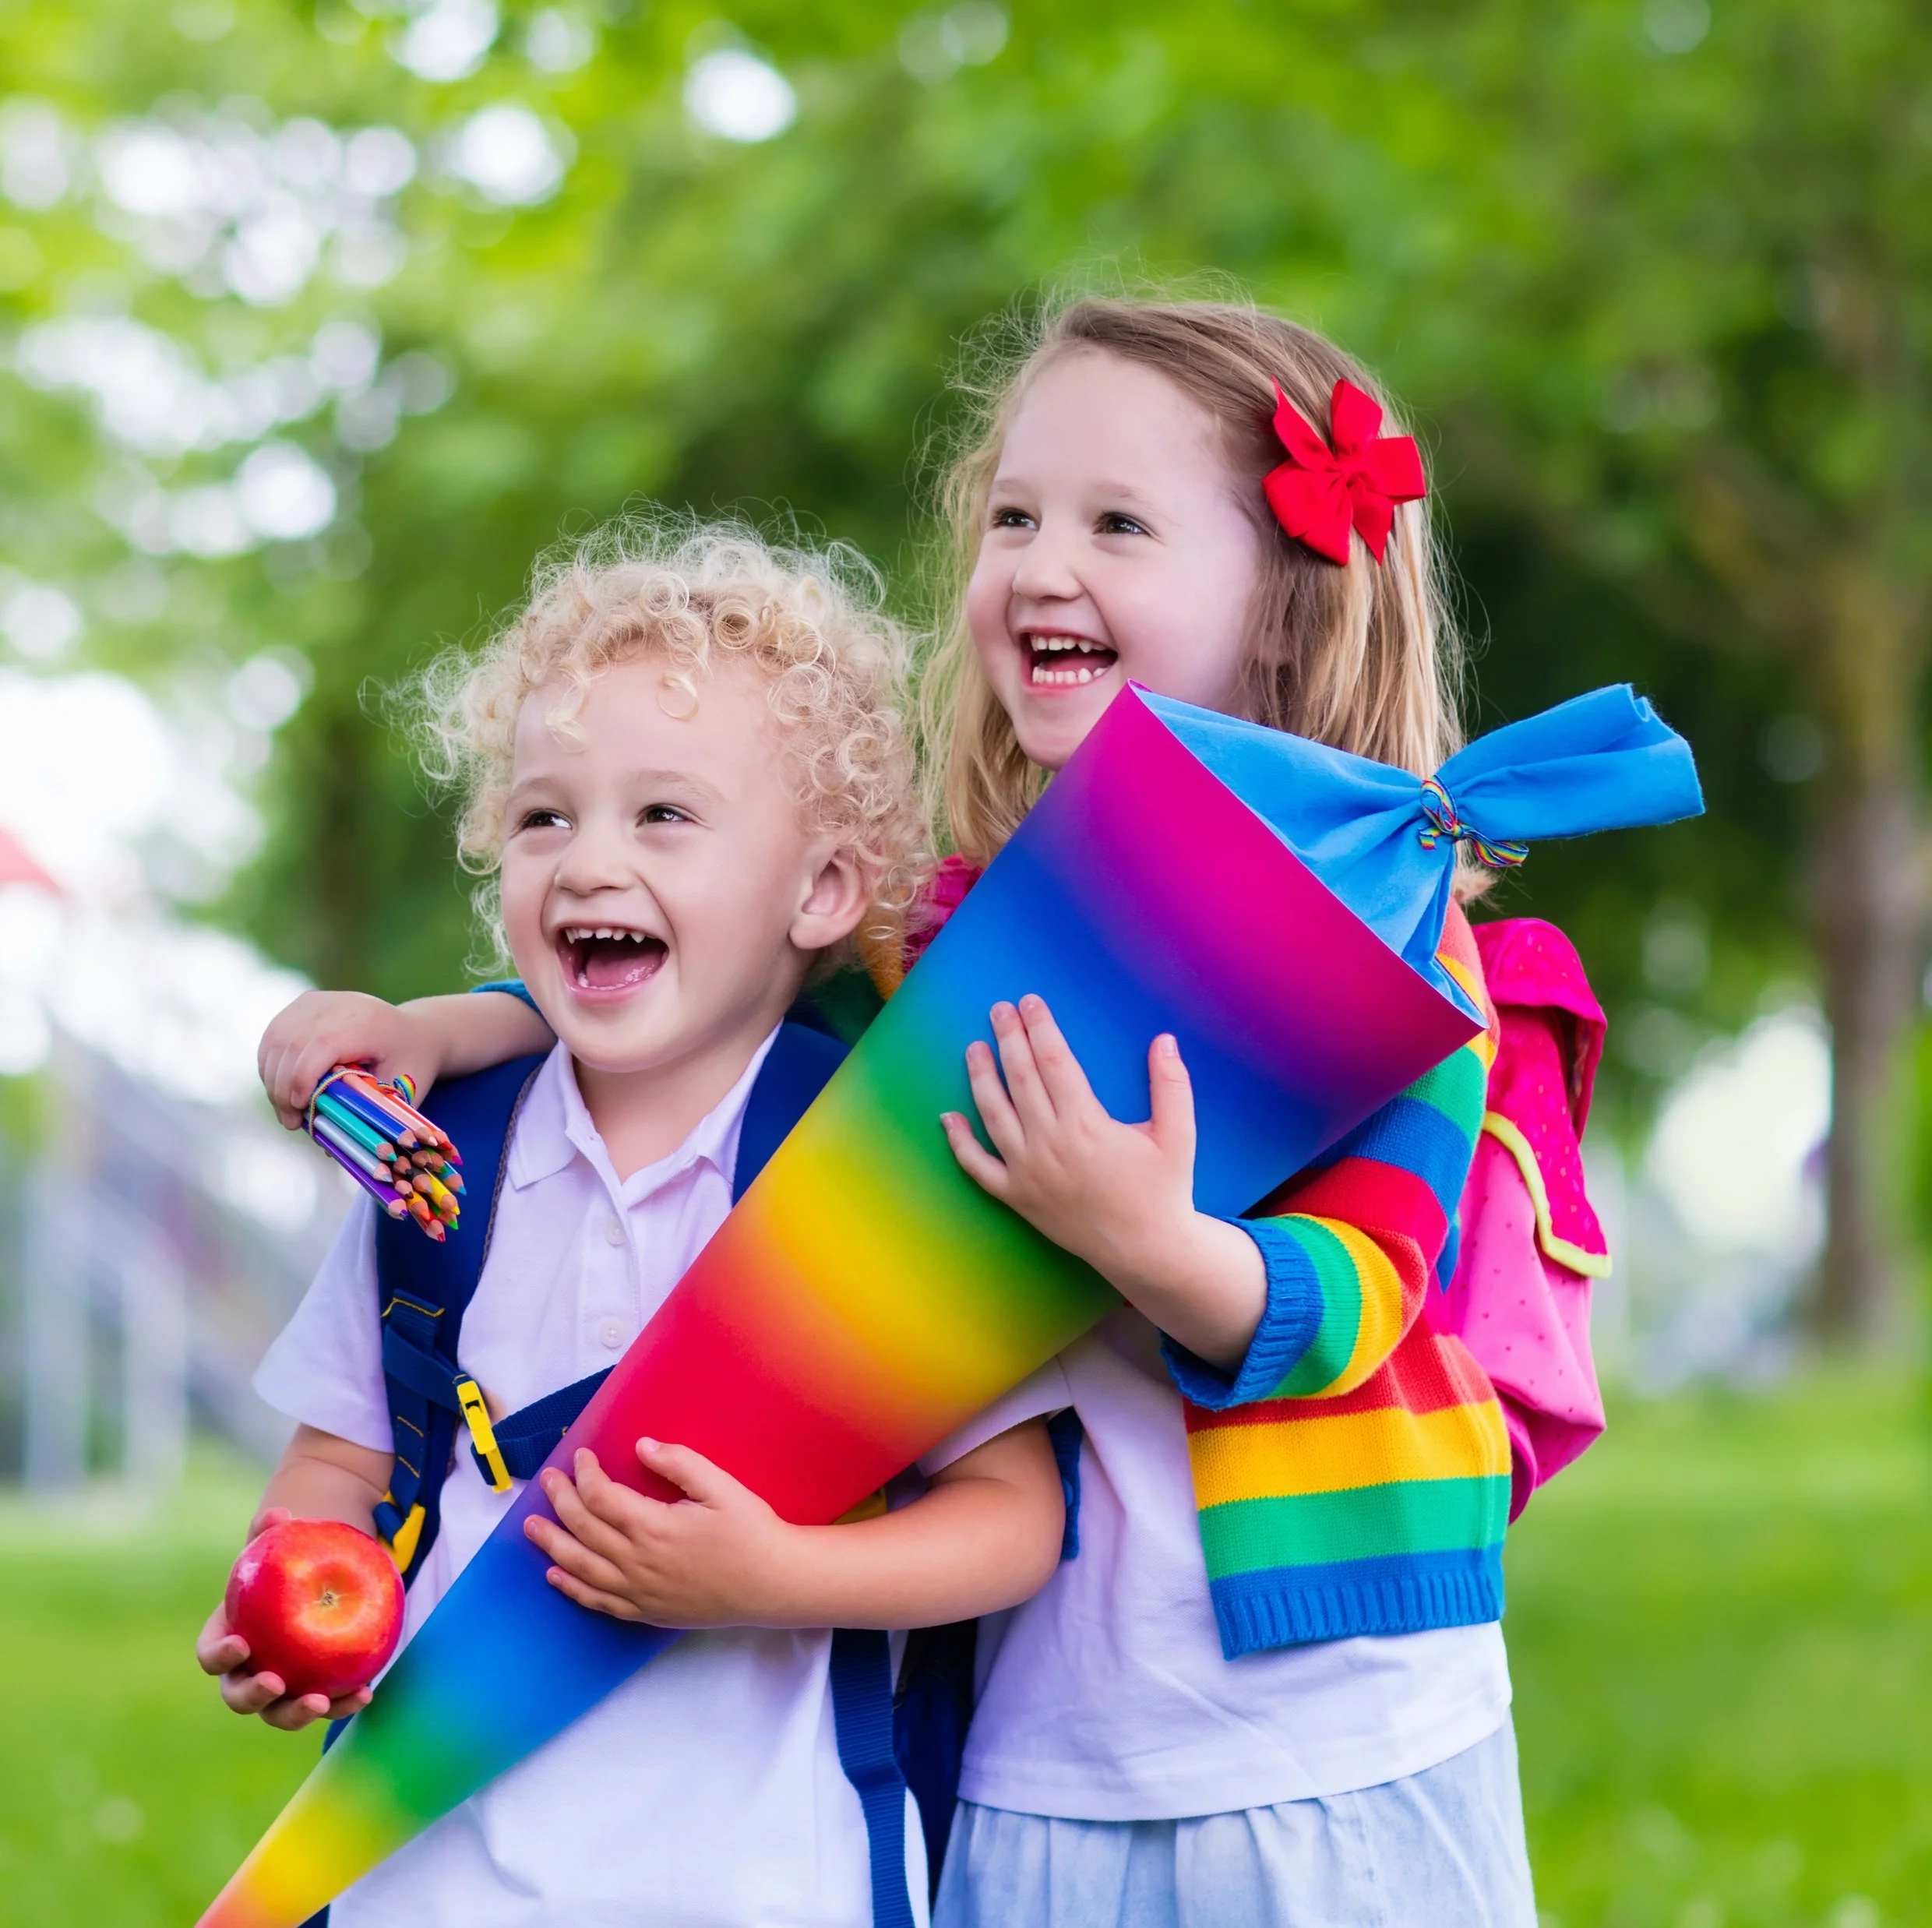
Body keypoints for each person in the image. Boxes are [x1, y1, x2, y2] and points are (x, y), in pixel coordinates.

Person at [256, 298, 1549, 1927]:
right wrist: (432, 1027)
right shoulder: (946, 931)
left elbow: (1369, 1291)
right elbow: (701, 987)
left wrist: (1149, 1243)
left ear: (1287, 612)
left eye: (1115, 523)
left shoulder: (1390, 930)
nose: (1037, 561)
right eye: (1013, 514)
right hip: (1029, 1735)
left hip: (1318, 1724)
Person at [203, 524, 1069, 1928]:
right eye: (546, 818)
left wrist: (775, 1575)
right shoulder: (442, 1163)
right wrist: (285, 1600)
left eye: (664, 816)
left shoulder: (867, 1175)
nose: (589, 860)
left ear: (823, 892)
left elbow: (1014, 1519)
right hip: (428, 1871)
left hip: (757, 1877)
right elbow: (337, 1456)